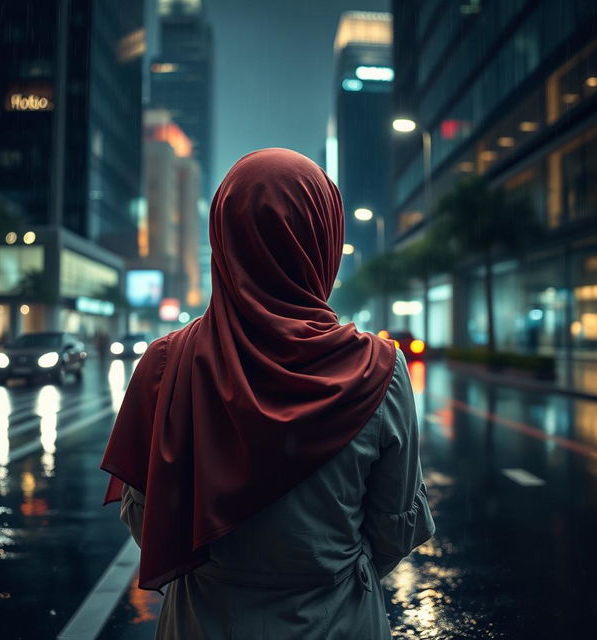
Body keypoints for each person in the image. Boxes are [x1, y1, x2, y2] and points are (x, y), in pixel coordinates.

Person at [101, 148, 434, 639]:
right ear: (322, 238)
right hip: (338, 619)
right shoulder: (378, 369)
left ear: (224, 236)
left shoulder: (167, 362)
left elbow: (144, 512)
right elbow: (394, 526)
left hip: (205, 619)